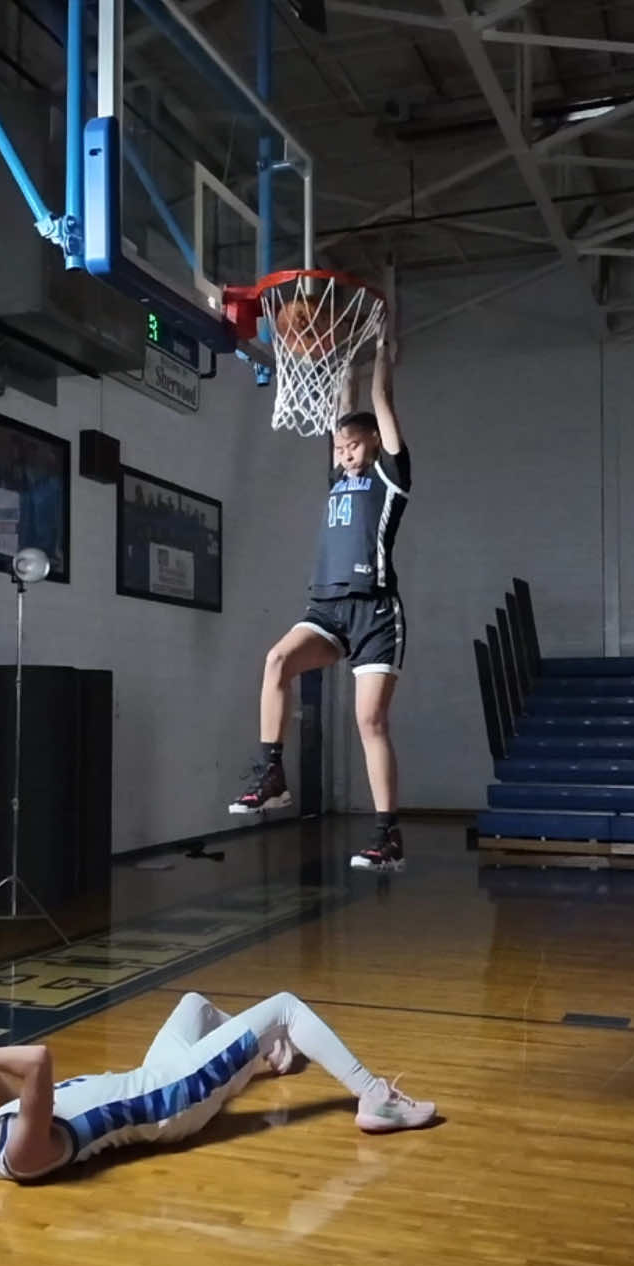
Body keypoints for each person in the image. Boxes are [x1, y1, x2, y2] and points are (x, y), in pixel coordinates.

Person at [0, 990, 436, 1186]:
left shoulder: (9, 1137)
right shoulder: (21, 1156)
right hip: (174, 1098)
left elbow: (11, 1101)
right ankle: (374, 1098)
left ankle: (261, 1059)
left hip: (152, 1077)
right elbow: (37, 1061)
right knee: (285, 1006)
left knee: (196, 1003)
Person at [229, 334, 410, 872]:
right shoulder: (337, 476)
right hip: (327, 608)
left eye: (354, 445)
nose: (345, 452)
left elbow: (380, 403)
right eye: (339, 447)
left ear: (375, 444)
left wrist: (380, 355)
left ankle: (387, 835)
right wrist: (344, 360)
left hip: (375, 611)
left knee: (369, 723)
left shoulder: (390, 477)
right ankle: (273, 775)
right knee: (276, 661)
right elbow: (339, 407)